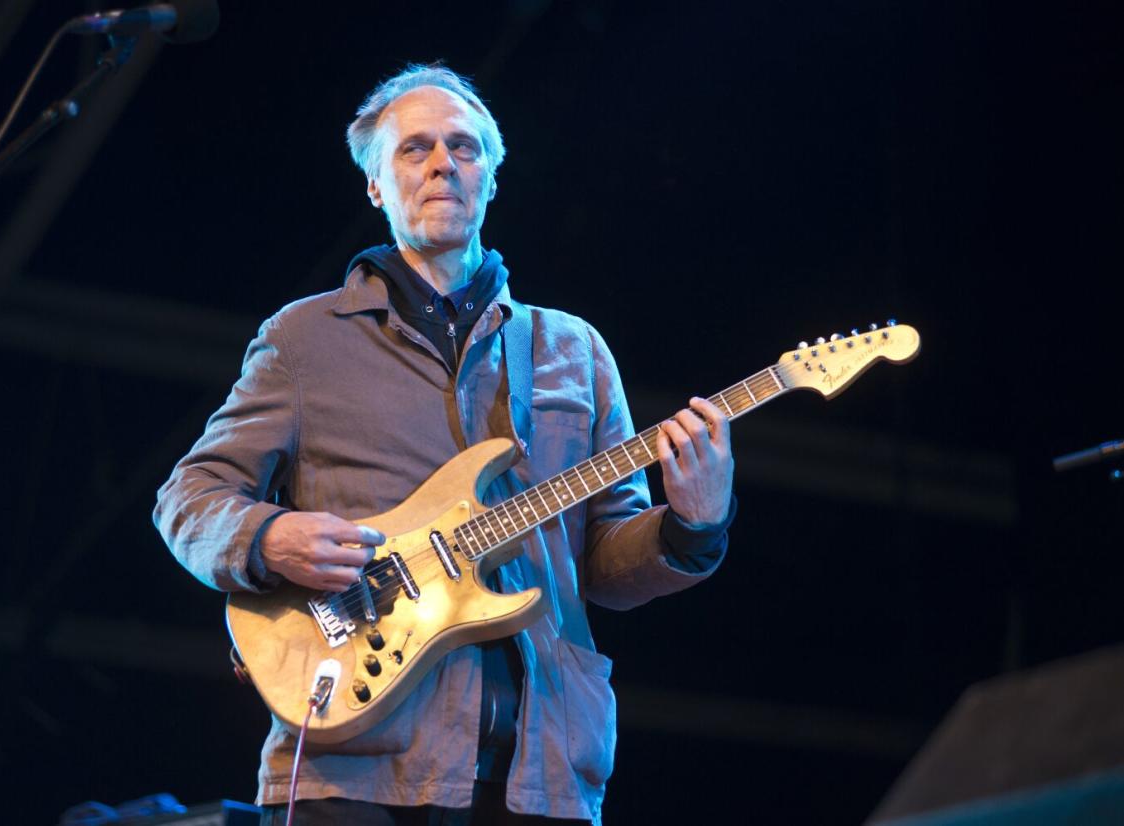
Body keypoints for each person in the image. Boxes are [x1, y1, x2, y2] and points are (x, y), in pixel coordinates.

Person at [154, 64, 736, 826]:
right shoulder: (303, 338)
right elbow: (188, 497)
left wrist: (693, 524)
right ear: (373, 184)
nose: (441, 164)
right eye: (414, 148)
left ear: (490, 177)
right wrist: (268, 535)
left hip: (542, 768)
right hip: (356, 767)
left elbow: (603, 567)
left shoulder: (573, 350)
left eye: (463, 147)